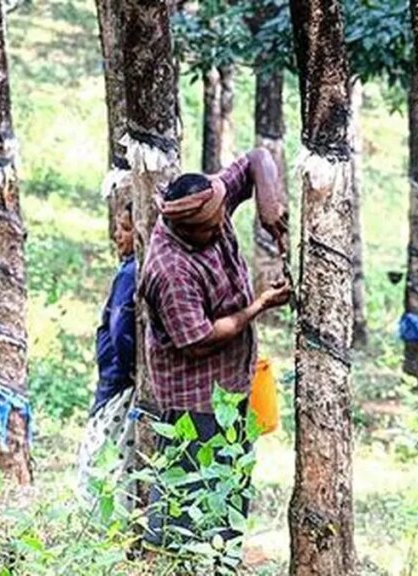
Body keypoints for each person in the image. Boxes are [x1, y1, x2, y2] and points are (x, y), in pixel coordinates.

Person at [138, 149, 290, 549]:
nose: (220, 228)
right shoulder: (169, 270)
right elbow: (199, 339)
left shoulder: (212, 198)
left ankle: (224, 557)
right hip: (195, 395)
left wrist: (269, 206)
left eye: (221, 218)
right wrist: (257, 306)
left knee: (231, 476)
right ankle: (174, 559)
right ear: (184, 227)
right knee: (188, 486)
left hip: (233, 384)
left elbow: (258, 159)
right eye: (209, 229)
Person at [76, 206, 138, 506]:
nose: (118, 235)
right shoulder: (130, 269)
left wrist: (128, 368)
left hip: (118, 380)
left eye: (125, 229)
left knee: (101, 458)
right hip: (116, 376)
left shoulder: (132, 272)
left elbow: (120, 328)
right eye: (118, 227)